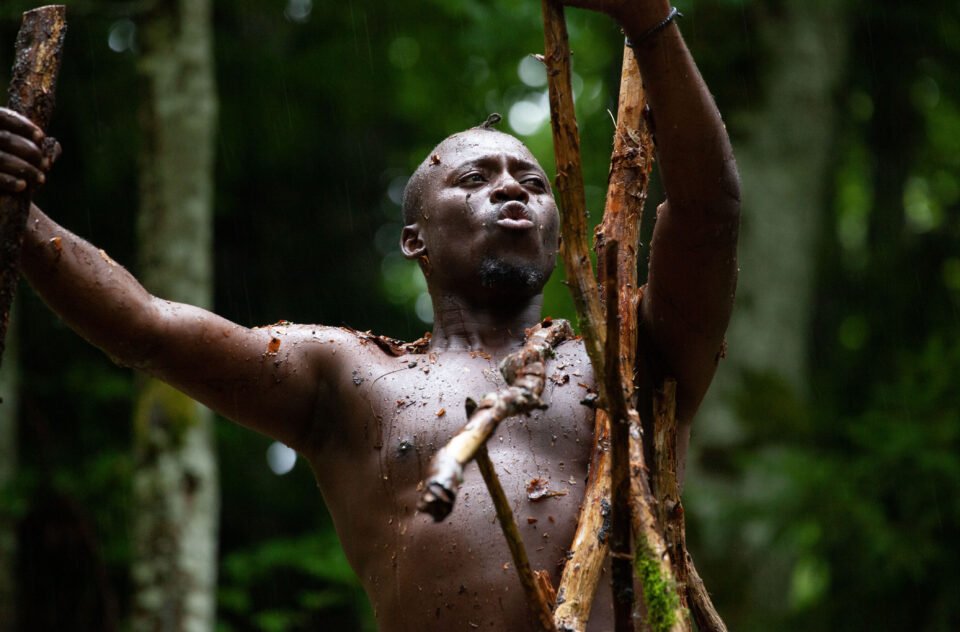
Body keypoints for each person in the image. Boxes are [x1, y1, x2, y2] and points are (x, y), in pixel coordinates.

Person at [0, 0, 739, 629]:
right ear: (413, 238)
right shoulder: (352, 376)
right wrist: (18, 217)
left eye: (534, 182)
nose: (512, 191)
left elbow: (709, 215)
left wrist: (651, 22)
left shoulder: (632, 355)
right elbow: (146, 328)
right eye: (476, 179)